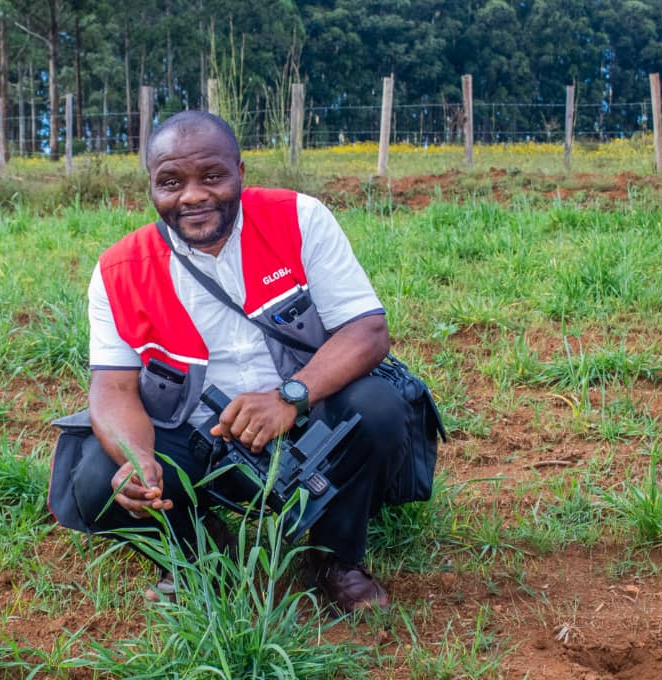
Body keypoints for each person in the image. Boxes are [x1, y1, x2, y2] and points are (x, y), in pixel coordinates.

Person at [47, 110, 408, 613]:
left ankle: (334, 559)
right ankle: (202, 559)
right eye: (170, 182)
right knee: (92, 478)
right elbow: (112, 390)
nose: (192, 195)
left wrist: (290, 397)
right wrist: (138, 458)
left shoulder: (298, 218)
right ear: (151, 187)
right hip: (196, 438)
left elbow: (367, 331)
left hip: (305, 419)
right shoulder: (118, 270)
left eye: (211, 176)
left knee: (378, 407)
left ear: (240, 172)